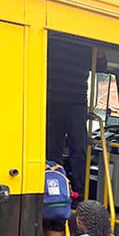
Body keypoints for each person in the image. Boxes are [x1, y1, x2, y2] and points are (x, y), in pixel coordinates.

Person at [46, 38, 105, 200]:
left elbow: (100, 66)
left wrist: (98, 52)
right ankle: (56, 190)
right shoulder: (52, 40)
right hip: (53, 101)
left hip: (76, 103)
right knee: (53, 150)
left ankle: (79, 193)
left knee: (79, 149)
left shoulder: (86, 43)